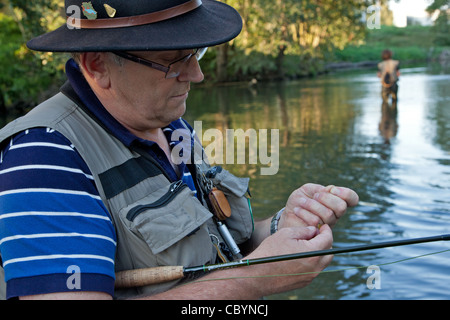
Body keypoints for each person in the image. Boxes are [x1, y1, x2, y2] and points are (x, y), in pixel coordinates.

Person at [0, 0, 359, 300]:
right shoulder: (43, 156)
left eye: (196, 53)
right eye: (174, 60)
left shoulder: (172, 126)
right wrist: (256, 278)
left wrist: (282, 227)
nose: (197, 73)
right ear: (97, 64)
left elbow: (222, 248)